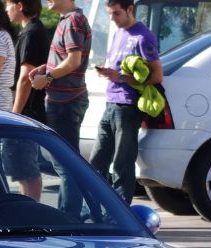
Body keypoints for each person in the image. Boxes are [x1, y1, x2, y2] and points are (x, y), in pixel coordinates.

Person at [90, 0, 160, 204]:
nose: (112, 18)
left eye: (116, 13)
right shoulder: (117, 33)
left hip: (128, 106)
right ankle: (94, 209)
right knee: (97, 161)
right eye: (110, 14)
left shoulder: (143, 36)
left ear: (130, 9)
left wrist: (120, 77)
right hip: (110, 103)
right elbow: (118, 67)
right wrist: (108, 72)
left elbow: (156, 76)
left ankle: (121, 211)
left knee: (122, 163)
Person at [29, 0, 90, 216]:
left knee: (66, 166)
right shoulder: (68, 20)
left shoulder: (73, 20)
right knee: (65, 163)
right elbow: (69, 60)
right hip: (64, 101)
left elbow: (74, 61)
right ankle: (73, 214)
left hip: (65, 102)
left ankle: (69, 217)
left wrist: (47, 77)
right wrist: (48, 67)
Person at [3, 0, 49, 199]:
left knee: (26, 170)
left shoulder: (30, 33)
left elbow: (25, 77)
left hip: (27, 110)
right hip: (30, 109)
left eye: (8, 5)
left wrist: (15, 114)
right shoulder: (33, 30)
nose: (6, 9)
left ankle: (31, 214)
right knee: (23, 172)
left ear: (20, 6)